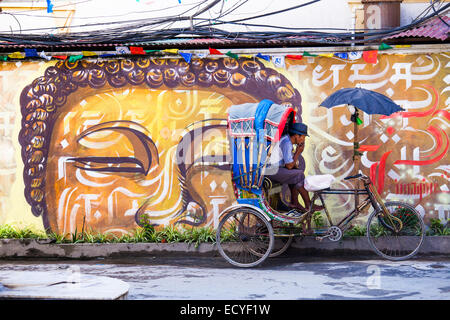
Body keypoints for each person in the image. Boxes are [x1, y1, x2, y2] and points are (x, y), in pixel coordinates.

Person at [266, 123, 322, 213]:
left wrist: (296, 155)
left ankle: (295, 202)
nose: (303, 139)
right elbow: (289, 166)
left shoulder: (288, 141)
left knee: (297, 173)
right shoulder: (287, 143)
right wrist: (298, 152)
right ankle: (308, 204)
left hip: (276, 169)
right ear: (296, 136)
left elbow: (291, 165)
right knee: (299, 174)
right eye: (303, 137)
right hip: (272, 171)